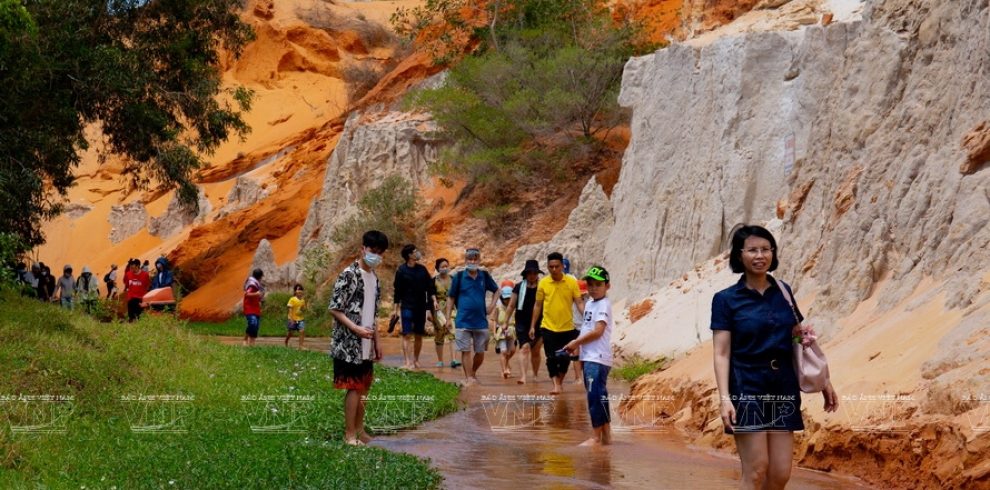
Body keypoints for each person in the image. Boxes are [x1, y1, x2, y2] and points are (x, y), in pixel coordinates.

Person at [712, 225, 839, 489]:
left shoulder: (784, 291)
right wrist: (725, 399)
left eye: (766, 249)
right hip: (746, 387)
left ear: (773, 253)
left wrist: (823, 380)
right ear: (739, 256)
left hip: (783, 385)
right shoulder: (726, 300)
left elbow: (798, 338)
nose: (760, 256)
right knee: (757, 471)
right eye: (752, 250)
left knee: (780, 473)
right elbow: (721, 353)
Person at [329, 230, 389, 445]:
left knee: (365, 386)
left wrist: (377, 343)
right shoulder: (348, 275)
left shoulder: (375, 279)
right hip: (348, 342)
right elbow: (335, 309)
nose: (376, 256)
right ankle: (349, 434)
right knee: (353, 387)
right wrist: (356, 330)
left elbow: (373, 315)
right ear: (362, 248)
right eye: (373, 251)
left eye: (380, 253)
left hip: (366, 342)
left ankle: (360, 430)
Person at [564, 266, 614, 446]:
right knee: (600, 396)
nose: (593, 288)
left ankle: (595, 438)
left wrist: (576, 343)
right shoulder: (591, 304)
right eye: (590, 284)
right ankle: (606, 437)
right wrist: (577, 346)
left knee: (594, 397)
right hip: (591, 356)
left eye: (598, 284)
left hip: (597, 357)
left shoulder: (603, 304)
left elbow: (598, 331)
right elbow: (586, 329)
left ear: (607, 285)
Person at [530, 252, 584, 395]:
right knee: (551, 357)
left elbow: (579, 301)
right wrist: (532, 326)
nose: (554, 269)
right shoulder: (543, 283)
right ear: (547, 267)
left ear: (562, 266)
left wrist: (587, 317)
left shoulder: (571, 282)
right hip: (548, 326)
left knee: (565, 358)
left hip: (567, 327)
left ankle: (559, 382)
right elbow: (537, 305)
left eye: (557, 266)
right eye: (551, 267)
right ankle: (556, 385)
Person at [445, 247, 499, 386]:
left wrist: (492, 306)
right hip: (463, 320)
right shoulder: (459, 276)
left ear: (479, 260)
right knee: (465, 350)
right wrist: (447, 318)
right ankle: (469, 378)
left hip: (481, 321)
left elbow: (497, 290)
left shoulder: (484, 276)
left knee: (480, 352)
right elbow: (451, 297)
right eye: (469, 258)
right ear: (465, 260)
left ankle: (473, 373)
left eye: (475, 258)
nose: (472, 261)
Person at [393, 244, 435, 369]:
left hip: (421, 307)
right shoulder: (401, 270)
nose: (418, 253)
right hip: (406, 306)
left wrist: (431, 304)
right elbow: (397, 291)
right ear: (409, 255)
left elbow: (430, 287)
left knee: (418, 334)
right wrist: (395, 310)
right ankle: (407, 362)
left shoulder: (422, 269)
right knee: (406, 334)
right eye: (415, 251)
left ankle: (416, 360)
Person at [505, 259, 544, 384]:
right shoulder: (518, 287)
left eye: (534, 273)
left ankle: (535, 375)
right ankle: (523, 376)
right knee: (524, 348)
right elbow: (511, 306)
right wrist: (505, 321)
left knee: (536, 350)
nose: (532, 275)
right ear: (526, 274)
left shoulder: (542, 287)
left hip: (540, 322)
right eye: (530, 273)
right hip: (522, 322)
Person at [431, 258, 460, 368]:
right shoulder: (434, 281)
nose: (445, 268)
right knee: (439, 334)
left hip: (451, 309)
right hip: (439, 310)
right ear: (438, 268)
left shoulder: (453, 279)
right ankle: (440, 360)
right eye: (442, 266)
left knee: (453, 333)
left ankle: (454, 359)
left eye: (446, 266)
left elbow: (457, 294)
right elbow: (430, 293)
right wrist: (431, 309)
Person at [492, 280, 517, 379]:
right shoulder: (498, 307)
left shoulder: (514, 307)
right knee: (503, 351)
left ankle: (506, 363)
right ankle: (504, 370)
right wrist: (494, 332)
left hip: (512, 330)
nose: (507, 300)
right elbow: (494, 320)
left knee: (511, 350)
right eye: (505, 298)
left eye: (509, 298)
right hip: (501, 331)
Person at [571, 279, 589, 384]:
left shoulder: (590, 301)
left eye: (583, 293)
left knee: (586, 353)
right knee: (575, 353)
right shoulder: (571, 300)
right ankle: (578, 378)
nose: (581, 296)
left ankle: (586, 376)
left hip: (586, 329)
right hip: (574, 328)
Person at [242, 268, 265, 346]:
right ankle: (245, 339)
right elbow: (247, 294)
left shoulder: (257, 284)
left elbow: (259, 296)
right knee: (252, 323)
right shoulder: (252, 284)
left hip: (256, 306)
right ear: (260, 276)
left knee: (256, 325)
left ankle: (252, 343)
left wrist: (260, 299)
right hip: (249, 306)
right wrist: (257, 294)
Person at [285, 284, 306, 349]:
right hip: (292, 319)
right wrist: (291, 319)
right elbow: (290, 309)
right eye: (298, 289)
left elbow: (303, 309)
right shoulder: (292, 299)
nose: (299, 291)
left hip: (300, 319)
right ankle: (286, 340)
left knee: (302, 331)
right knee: (291, 333)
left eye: (301, 289)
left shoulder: (303, 300)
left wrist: (303, 308)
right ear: (295, 291)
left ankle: (301, 346)